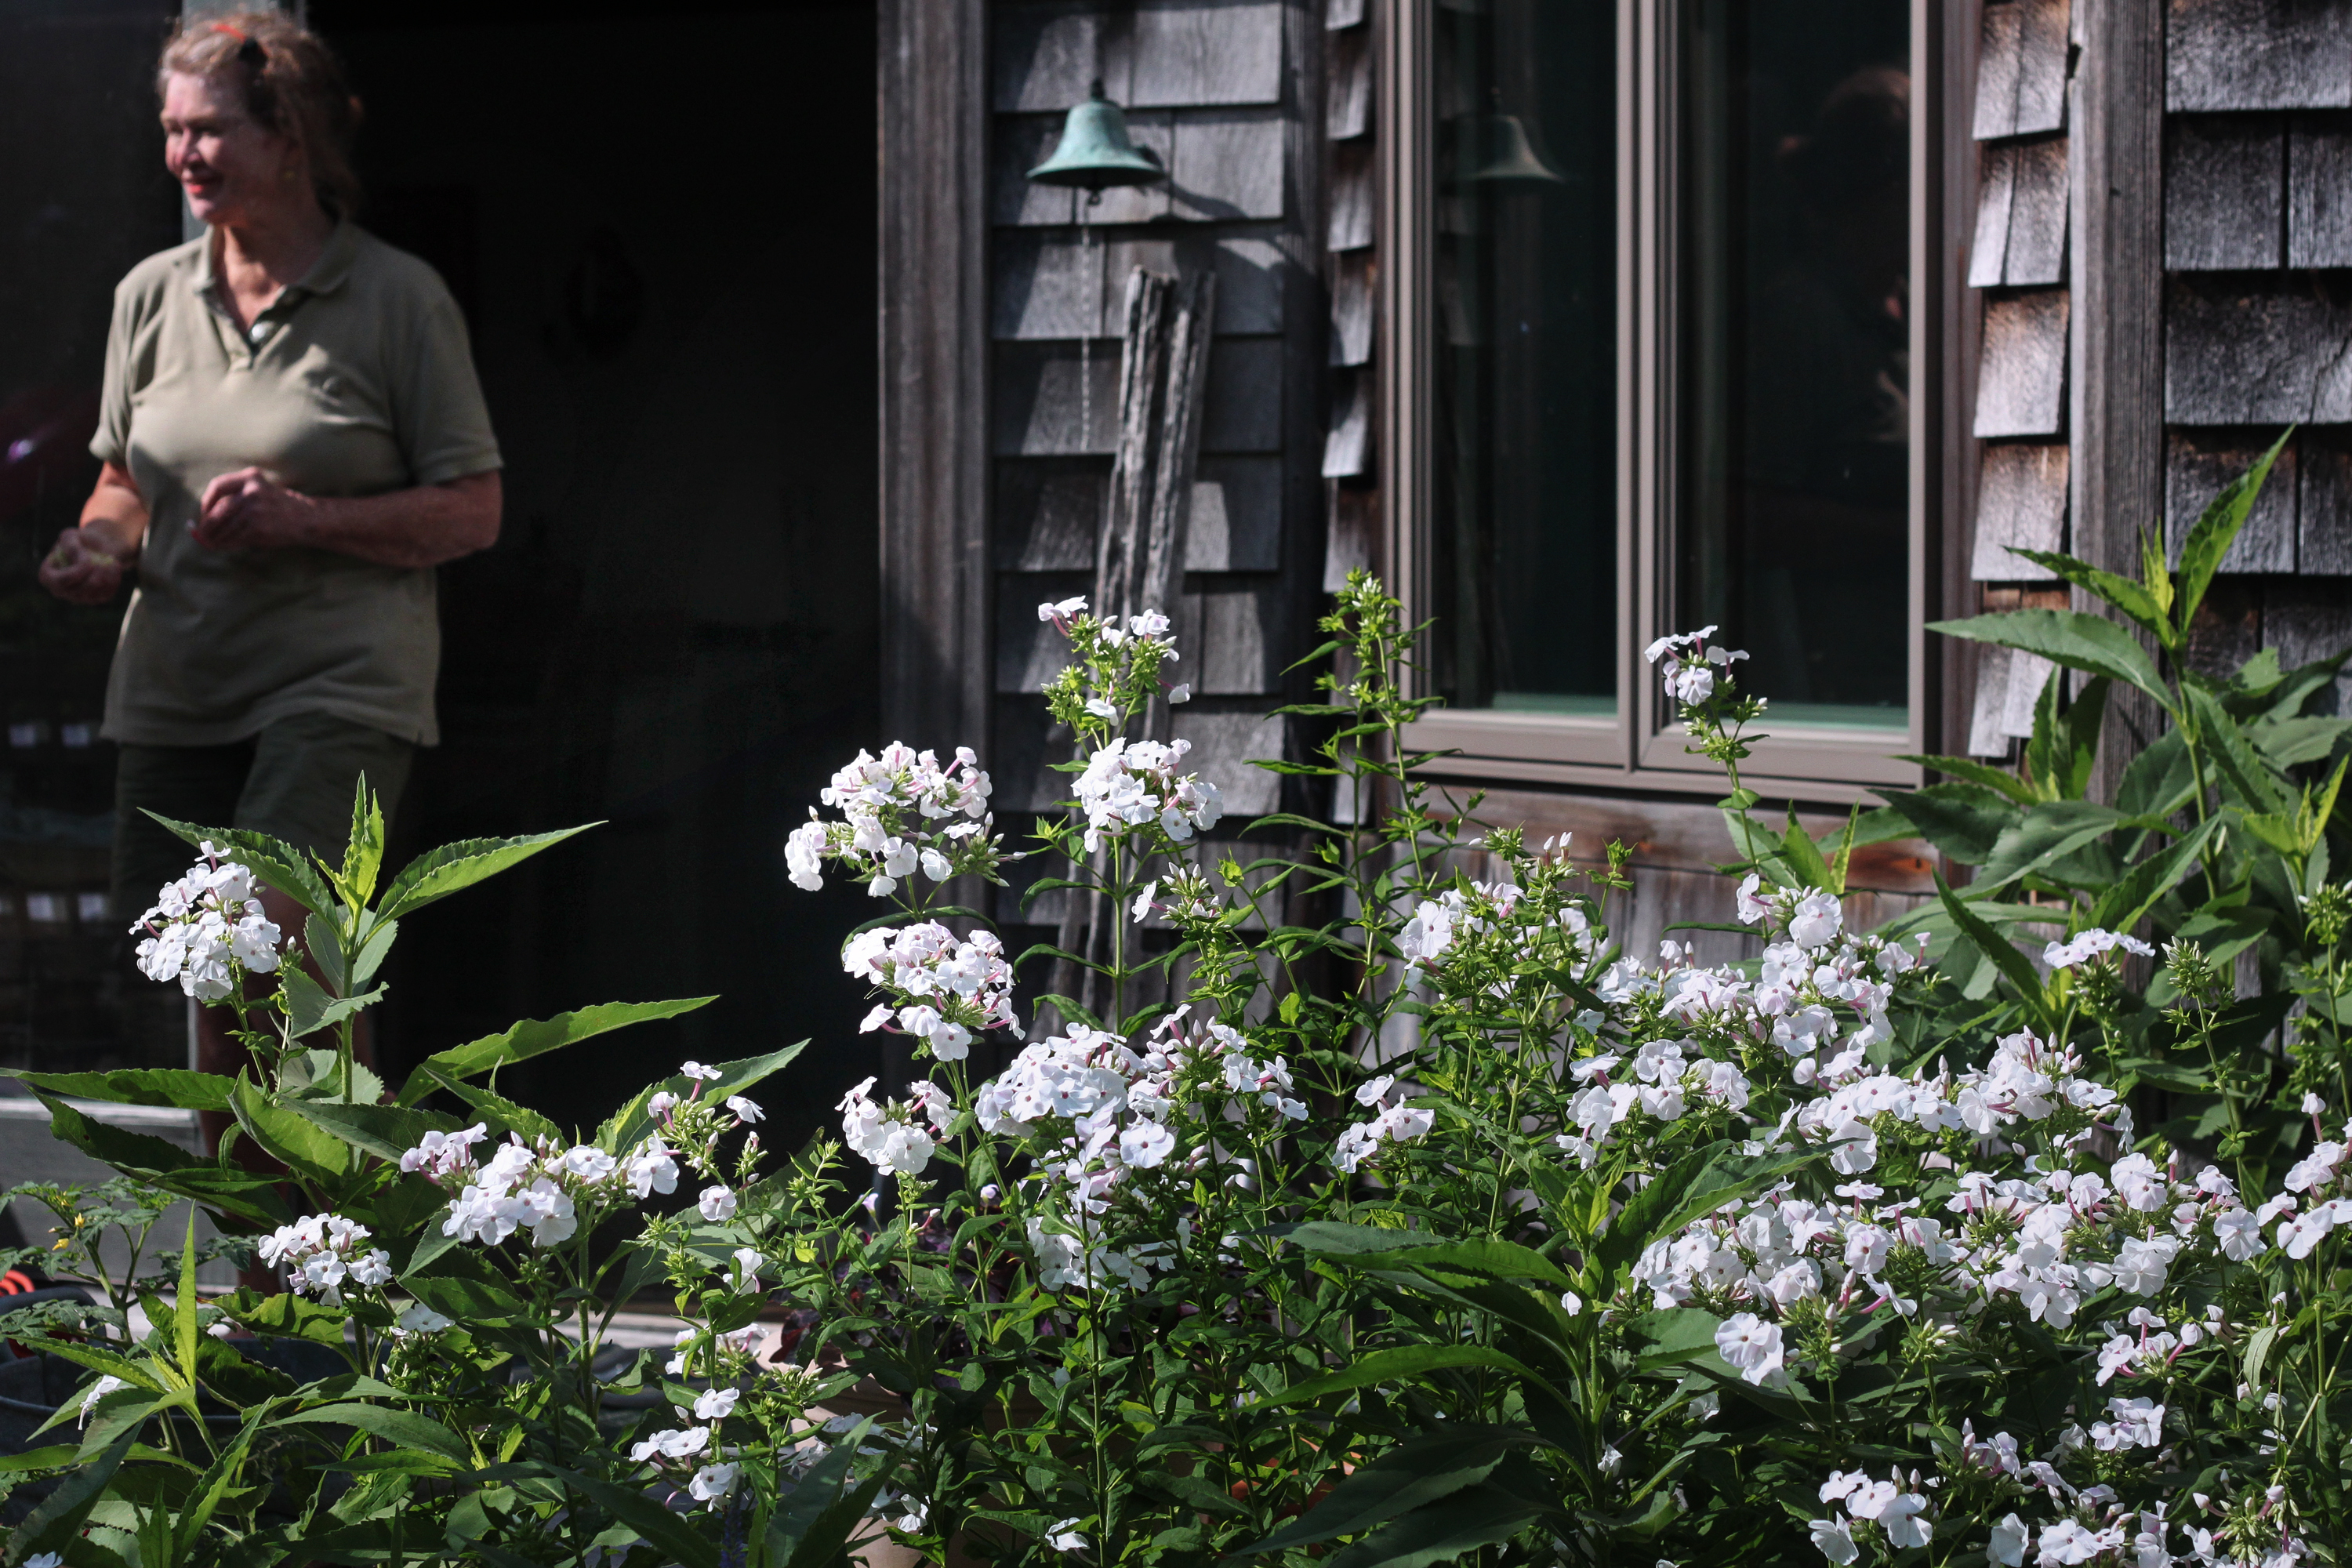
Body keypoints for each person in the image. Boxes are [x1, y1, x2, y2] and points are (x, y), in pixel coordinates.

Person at [35, 12, 500, 1118]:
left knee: (276, 967)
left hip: (334, 688)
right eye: (169, 130)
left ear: (287, 135)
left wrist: (304, 517)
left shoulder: (396, 299)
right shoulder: (151, 294)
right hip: (175, 691)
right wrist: (98, 545)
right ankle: (271, 1267)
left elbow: (473, 512)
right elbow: (127, 480)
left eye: (208, 131)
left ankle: (325, 1258)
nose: (182, 155)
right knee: (205, 985)